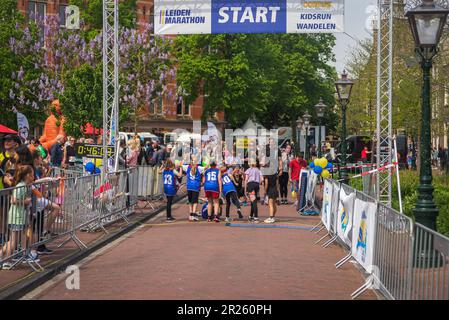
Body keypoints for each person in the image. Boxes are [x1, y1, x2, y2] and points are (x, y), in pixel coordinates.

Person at [1, 165, 36, 269]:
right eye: (32, 174)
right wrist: (25, 201)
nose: (33, 176)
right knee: (13, 242)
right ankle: (7, 261)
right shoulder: (20, 186)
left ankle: (2, 257)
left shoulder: (24, 185)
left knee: (13, 240)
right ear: (28, 175)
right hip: (16, 217)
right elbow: (13, 200)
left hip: (20, 217)